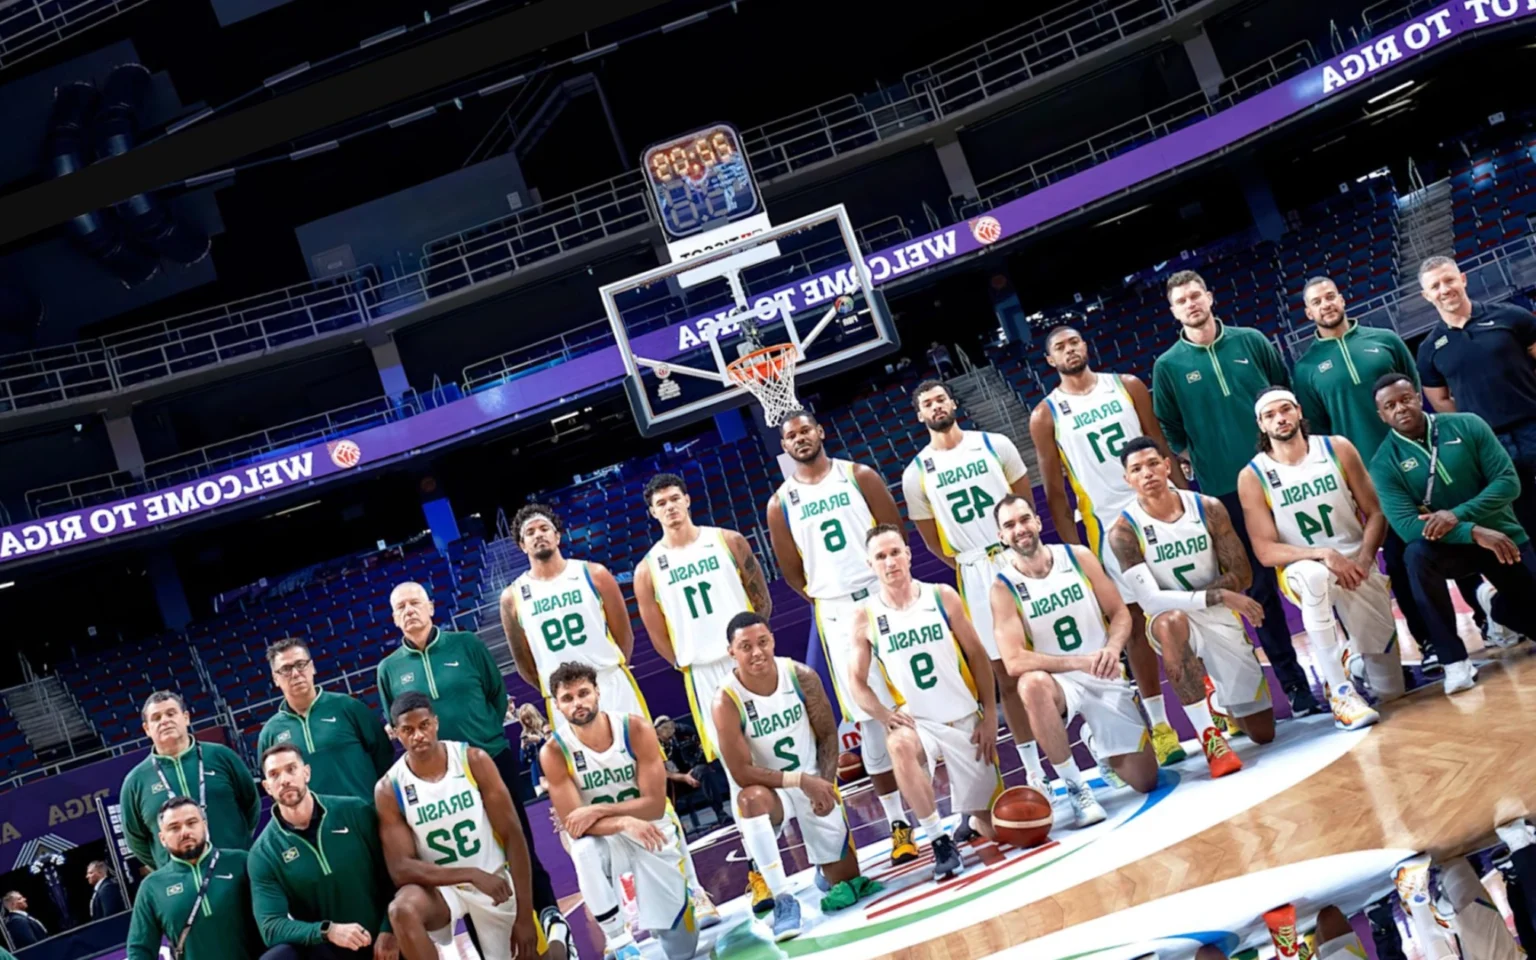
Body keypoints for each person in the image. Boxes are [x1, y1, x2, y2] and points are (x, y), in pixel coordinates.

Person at [1288, 276, 1486, 669]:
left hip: (1420, 459)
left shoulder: (1384, 339)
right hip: (1370, 479)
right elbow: (1320, 430)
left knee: (1451, 532)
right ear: (1308, 313)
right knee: (1400, 559)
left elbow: (1410, 391)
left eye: (1330, 296)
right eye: (1317, 302)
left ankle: (1487, 617)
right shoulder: (1307, 368)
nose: (1326, 304)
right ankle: (1430, 643)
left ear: (1341, 299)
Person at [1151, 270, 1318, 716]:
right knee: (1260, 590)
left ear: (1209, 296)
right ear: (1173, 311)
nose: (1191, 304)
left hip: (1279, 475)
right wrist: (1201, 455)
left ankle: (1348, 665)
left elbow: (1284, 393)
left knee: (1314, 565)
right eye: (1181, 300)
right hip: (1224, 490)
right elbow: (1168, 428)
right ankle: (1296, 686)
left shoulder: (1251, 341)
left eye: (1195, 295)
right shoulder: (1168, 366)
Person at [1028, 325, 1190, 766]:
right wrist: (1070, 556)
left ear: (1086, 346)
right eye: (1059, 346)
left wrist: (1184, 502)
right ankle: (1160, 725)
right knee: (1133, 626)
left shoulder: (1128, 386)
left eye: (1075, 341)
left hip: (1158, 507)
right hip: (1104, 525)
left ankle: (1212, 707)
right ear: (1050, 360)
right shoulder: (1047, 414)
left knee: (1187, 608)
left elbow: (1159, 446)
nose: (1069, 349)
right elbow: (1054, 490)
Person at [377, 580, 568, 952]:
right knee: (468, 865)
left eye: (415, 603)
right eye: (400, 607)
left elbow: (496, 695)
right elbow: (395, 716)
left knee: (520, 847)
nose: (409, 611)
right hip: (437, 780)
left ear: (432, 606)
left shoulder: (467, 645)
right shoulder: (389, 669)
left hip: (486, 759)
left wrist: (478, 741)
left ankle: (554, 926)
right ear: (394, 618)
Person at [765, 410, 914, 863]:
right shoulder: (780, 503)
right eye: (790, 435)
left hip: (882, 592)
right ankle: (898, 825)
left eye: (806, 429)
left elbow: (894, 534)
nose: (800, 439)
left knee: (923, 694)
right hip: (834, 609)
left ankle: (970, 805)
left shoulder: (859, 476)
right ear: (785, 446)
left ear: (821, 431)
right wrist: (829, 596)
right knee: (870, 720)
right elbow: (793, 572)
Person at [899, 381, 1050, 788]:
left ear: (953, 403)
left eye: (940, 399)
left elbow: (1024, 504)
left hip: (1016, 555)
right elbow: (931, 541)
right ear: (919, 414)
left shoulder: (995, 444)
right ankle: (1033, 770)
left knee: (1050, 654)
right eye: (926, 402)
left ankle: (1076, 745)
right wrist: (967, 561)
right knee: (1005, 676)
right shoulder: (915, 474)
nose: (935, 406)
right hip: (973, 569)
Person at [1108, 437, 1276, 778]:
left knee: (1262, 732)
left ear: (1168, 465)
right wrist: (1219, 595)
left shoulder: (1208, 507)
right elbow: (1151, 601)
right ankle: (1209, 736)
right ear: (1128, 480)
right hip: (1172, 619)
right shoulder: (1123, 532)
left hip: (1217, 617)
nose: (1148, 473)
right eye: (1136, 469)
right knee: (1170, 621)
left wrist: (1215, 598)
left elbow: (1241, 573)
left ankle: (1216, 698)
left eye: (1153, 463)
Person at [991, 494, 1160, 828]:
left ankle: (1098, 744)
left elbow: (1120, 613)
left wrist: (1112, 649)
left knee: (1145, 780)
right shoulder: (1003, 587)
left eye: (1024, 519)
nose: (1019, 529)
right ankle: (1075, 786)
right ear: (1001, 537)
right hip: (1061, 681)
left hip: (1103, 670)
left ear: (1038, 522)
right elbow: (1012, 661)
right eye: (1009, 525)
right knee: (1031, 684)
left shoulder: (1078, 557)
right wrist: (1077, 663)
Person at [712, 612, 882, 942]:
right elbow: (741, 772)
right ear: (731, 652)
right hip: (770, 789)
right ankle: (782, 899)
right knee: (749, 801)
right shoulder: (726, 700)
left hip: (814, 778)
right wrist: (800, 781)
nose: (757, 652)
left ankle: (826, 867)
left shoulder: (800, 676)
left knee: (846, 883)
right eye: (745, 646)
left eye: (762, 642)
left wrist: (826, 783)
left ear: (773, 640)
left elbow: (828, 735)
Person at [1238, 387, 1405, 723]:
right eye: (1270, 415)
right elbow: (1265, 550)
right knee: (1314, 577)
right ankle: (1341, 692)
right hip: (1304, 568)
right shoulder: (1253, 476)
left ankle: (1353, 661)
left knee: (1391, 691)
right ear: (1260, 424)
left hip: (1356, 565)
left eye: (1285, 410)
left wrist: (1363, 560)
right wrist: (1324, 554)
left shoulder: (1336, 448)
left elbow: (1375, 512)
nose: (1280, 419)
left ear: (1299, 411)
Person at [847, 524, 1001, 881]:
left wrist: (990, 714)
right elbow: (856, 683)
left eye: (895, 552)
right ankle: (939, 839)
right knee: (897, 744)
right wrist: (884, 715)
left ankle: (971, 817)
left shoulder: (941, 596)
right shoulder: (865, 615)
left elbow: (978, 655)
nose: (890, 562)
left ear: (908, 553)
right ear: (870, 565)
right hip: (920, 725)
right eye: (881, 557)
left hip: (964, 719)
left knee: (996, 828)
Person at [1369, 373, 1536, 694]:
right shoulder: (1383, 463)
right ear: (1382, 415)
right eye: (1390, 406)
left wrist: (1455, 515)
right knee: (1415, 555)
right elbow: (1406, 525)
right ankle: (1454, 660)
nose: (1400, 408)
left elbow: (1507, 482)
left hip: (1502, 536)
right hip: (1449, 548)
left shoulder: (1467, 424)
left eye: (1405, 399)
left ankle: (1495, 607)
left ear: (1418, 397)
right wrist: (1471, 531)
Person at [539, 663, 699, 960]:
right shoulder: (554, 751)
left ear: (598, 692)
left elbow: (653, 803)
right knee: (583, 849)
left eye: (584, 693)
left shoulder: (635, 728)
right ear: (557, 706)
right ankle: (620, 940)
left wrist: (599, 809)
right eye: (568, 698)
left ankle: (679, 904)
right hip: (609, 839)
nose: (578, 703)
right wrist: (624, 821)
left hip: (651, 830)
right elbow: (576, 825)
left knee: (683, 950)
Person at [376, 692, 542, 960]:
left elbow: (513, 836)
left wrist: (525, 916)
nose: (418, 735)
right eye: (407, 730)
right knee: (401, 910)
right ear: (395, 733)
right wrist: (470, 874)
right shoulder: (389, 787)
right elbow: (401, 868)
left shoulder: (472, 760)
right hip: (441, 890)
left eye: (424, 725)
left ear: (436, 723)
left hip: (494, 879)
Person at [635, 472, 772, 764]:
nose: (670, 507)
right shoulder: (647, 569)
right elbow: (656, 633)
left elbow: (760, 596)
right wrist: (684, 659)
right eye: (661, 503)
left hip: (746, 656)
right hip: (701, 668)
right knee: (732, 756)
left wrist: (755, 644)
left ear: (687, 500)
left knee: (774, 734)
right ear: (653, 512)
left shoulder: (728, 540)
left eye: (674, 499)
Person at [1417, 255, 1536, 540]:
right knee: (1523, 517)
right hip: (1490, 445)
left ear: (1463, 279)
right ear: (1426, 295)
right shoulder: (1429, 349)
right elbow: (1441, 401)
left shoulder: (1511, 316)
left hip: (1532, 423)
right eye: (1435, 286)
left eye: (1449, 280)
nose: (1444, 289)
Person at [502, 504, 646, 732]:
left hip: (608, 682)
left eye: (544, 528)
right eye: (530, 533)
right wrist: (557, 691)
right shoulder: (512, 597)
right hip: (563, 698)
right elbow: (524, 663)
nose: (538, 534)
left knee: (641, 756)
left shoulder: (593, 574)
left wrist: (610, 667)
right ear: (522, 545)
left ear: (557, 536)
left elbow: (623, 634)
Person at [249, 745, 398, 959]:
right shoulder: (263, 852)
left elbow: (394, 875)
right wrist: (327, 931)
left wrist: (390, 929)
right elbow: (271, 926)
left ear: (306, 773)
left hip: (383, 938)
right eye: (274, 775)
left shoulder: (355, 812)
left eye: (291, 769)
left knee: (409, 907)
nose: (284, 780)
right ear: (267, 787)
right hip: (330, 950)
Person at [120, 690, 260, 868]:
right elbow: (136, 840)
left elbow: (251, 804)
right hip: (183, 886)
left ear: (186, 718)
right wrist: (168, 865)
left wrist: (235, 844)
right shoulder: (135, 781)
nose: (164, 721)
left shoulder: (221, 756)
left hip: (238, 869)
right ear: (147, 729)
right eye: (156, 717)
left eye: (171, 713)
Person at [124, 798, 264, 960]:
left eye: (191, 823)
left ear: (205, 825)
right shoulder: (152, 887)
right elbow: (139, 950)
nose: (185, 832)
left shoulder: (242, 862)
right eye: (174, 827)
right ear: (162, 838)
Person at [258, 638, 394, 802]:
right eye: (286, 669)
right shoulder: (270, 733)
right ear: (275, 679)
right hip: (316, 825)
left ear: (312, 667)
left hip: (367, 814)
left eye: (301, 664)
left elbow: (383, 754)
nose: (295, 673)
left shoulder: (348, 707)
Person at [655, 715, 729, 825]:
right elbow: (661, 772)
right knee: (658, 785)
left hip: (692, 771)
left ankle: (721, 813)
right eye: (662, 729)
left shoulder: (685, 731)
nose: (667, 731)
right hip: (673, 780)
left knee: (703, 771)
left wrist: (696, 767)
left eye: (669, 726)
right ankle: (674, 824)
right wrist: (684, 778)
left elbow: (701, 750)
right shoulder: (653, 745)